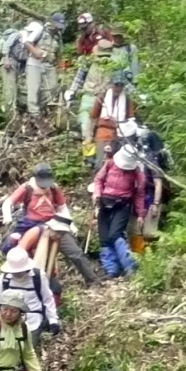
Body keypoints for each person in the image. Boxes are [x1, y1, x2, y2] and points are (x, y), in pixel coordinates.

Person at [0, 248, 60, 350]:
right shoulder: (5, 277)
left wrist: (53, 320)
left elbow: (48, 299)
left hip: (32, 319)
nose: (16, 273)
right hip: (8, 318)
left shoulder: (38, 277)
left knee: (28, 349)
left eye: (19, 271)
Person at [92, 139, 145, 278]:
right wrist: (97, 194)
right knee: (104, 237)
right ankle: (111, 269)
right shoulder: (110, 164)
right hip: (105, 202)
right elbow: (99, 180)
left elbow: (139, 194)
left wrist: (140, 214)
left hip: (123, 205)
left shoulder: (137, 173)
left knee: (115, 234)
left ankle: (130, 266)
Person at [64, 38, 117, 168]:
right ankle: (88, 157)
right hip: (89, 96)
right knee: (86, 128)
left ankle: (103, 158)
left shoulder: (115, 66)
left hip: (107, 99)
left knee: (103, 129)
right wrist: (72, 91)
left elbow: (123, 83)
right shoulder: (88, 62)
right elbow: (79, 79)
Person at [1, 163, 67, 253]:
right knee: (8, 246)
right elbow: (7, 203)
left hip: (51, 222)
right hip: (30, 222)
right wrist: (7, 216)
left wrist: (69, 223)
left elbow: (62, 207)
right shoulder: (27, 188)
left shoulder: (53, 188)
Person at [21, 13, 65, 120]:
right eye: (57, 25)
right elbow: (27, 42)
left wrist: (61, 68)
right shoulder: (40, 30)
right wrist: (35, 51)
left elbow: (59, 53)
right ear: (52, 22)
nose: (58, 28)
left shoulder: (57, 36)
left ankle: (43, 108)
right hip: (34, 63)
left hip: (49, 65)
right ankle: (34, 113)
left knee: (53, 87)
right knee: (34, 88)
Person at [91, 72, 136, 168]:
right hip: (103, 131)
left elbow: (131, 118)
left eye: (121, 85)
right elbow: (94, 115)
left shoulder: (127, 99)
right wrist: (90, 134)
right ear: (112, 84)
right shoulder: (102, 96)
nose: (118, 88)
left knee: (117, 162)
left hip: (120, 133)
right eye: (116, 85)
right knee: (100, 162)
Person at [46, 208, 99, 285]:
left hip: (60, 225)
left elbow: (62, 207)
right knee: (43, 257)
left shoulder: (55, 195)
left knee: (76, 253)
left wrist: (72, 226)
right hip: (43, 226)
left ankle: (92, 279)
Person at [0, 28, 28, 116]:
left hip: (16, 66)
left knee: (14, 88)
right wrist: (6, 60)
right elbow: (6, 46)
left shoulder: (27, 41)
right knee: (9, 88)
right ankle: (8, 113)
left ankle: (13, 111)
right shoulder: (18, 35)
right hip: (9, 64)